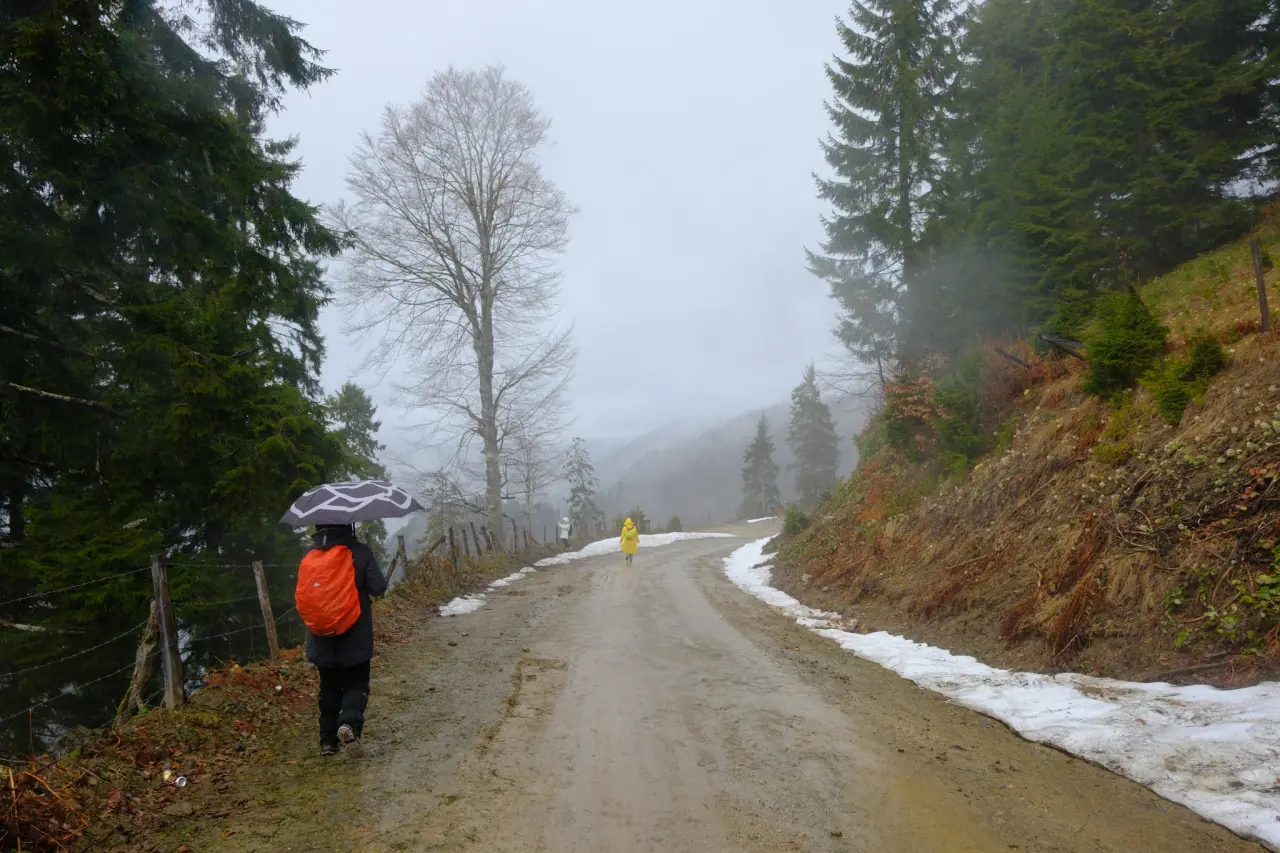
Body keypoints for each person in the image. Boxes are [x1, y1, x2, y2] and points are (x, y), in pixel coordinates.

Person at [302, 523, 387, 756]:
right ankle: (348, 724)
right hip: (354, 634)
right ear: (347, 524)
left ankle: (328, 741)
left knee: (329, 688)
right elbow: (378, 587)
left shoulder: (310, 554)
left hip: (321, 637)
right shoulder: (359, 551)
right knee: (356, 683)